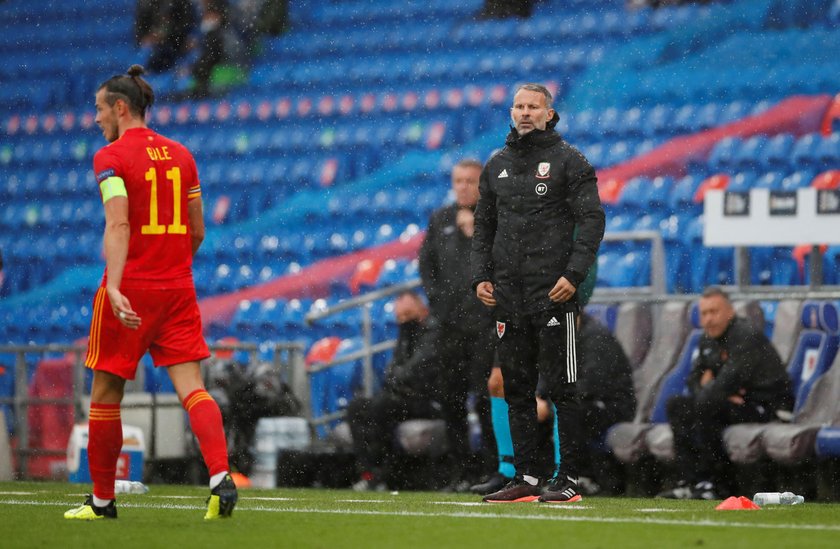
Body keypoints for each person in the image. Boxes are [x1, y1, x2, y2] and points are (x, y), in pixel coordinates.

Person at [64, 65, 237, 521]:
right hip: (177, 287)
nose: (96, 119)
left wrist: (118, 285)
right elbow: (197, 230)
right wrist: (172, 265)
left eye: (100, 110)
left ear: (121, 108)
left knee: (105, 392)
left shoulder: (111, 158)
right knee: (193, 389)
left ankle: (102, 501)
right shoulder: (182, 155)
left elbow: (118, 223)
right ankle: (221, 478)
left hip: (131, 290)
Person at [471, 83, 605, 503]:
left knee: (563, 388)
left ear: (550, 114)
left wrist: (575, 274)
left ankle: (568, 480)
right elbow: (483, 229)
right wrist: (480, 277)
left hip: (554, 294)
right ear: (511, 112)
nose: (525, 112)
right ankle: (527, 478)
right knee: (517, 390)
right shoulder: (496, 166)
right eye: (519, 106)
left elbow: (593, 220)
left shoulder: (570, 161)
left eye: (534, 106)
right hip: (508, 297)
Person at [657, 287, 793, 500]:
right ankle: (691, 481)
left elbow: (726, 382)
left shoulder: (745, 336)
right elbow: (693, 380)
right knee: (677, 405)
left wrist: (714, 389)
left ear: (730, 312)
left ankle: (717, 484)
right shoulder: (707, 339)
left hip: (768, 407)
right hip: (733, 403)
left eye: (714, 312)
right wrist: (712, 391)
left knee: (707, 406)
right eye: (704, 313)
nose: (709, 319)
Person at [418, 158, 495, 489]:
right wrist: (440, 305)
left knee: (486, 399)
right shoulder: (440, 219)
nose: (463, 187)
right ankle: (460, 471)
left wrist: (473, 234)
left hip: (486, 325)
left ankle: (493, 469)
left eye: (470, 181)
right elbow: (427, 266)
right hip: (450, 326)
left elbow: (500, 262)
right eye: (458, 181)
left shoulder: (494, 218)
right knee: (451, 400)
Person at [346, 290, 442, 491]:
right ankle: (368, 470)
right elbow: (393, 370)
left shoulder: (432, 333)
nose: (404, 321)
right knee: (357, 407)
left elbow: (418, 369)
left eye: (408, 315)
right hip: (402, 396)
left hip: (427, 400)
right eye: (400, 317)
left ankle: (385, 472)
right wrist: (398, 381)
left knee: (381, 406)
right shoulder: (405, 335)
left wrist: (399, 381)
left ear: (422, 311)